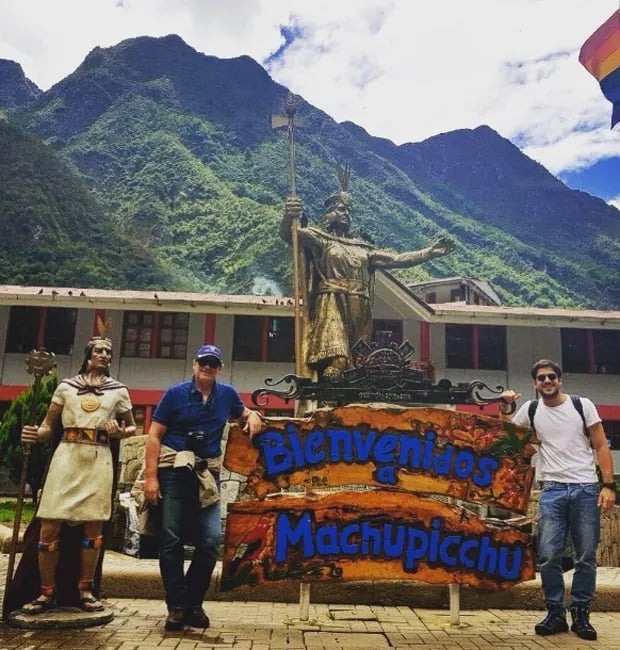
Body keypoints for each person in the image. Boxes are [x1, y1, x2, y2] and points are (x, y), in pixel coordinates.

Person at [281, 165, 454, 381]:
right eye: (342, 210)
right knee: (338, 360)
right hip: (332, 301)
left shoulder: (362, 247)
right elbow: (291, 236)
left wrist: (428, 252)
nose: (347, 214)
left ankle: (350, 404)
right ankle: (326, 400)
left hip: (360, 305)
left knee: (359, 362)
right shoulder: (320, 239)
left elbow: (396, 259)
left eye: (349, 211)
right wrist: (289, 216)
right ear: (330, 213)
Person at [143, 344, 262, 631]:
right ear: (195, 364)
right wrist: (150, 478)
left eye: (213, 363)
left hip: (206, 472)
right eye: (203, 361)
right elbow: (154, 436)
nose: (208, 367)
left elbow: (244, 412)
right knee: (171, 540)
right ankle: (177, 607)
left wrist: (254, 415)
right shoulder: (174, 394)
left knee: (210, 541)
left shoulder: (227, 395)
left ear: (219, 368)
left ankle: (193, 602)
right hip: (172, 471)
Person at [17, 335, 136, 614]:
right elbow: (48, 427)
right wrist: (35, 434)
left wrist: (120, 432)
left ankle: (85, 589)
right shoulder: (66, 388)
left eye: (108, 351)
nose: (104, 355)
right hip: (67, 456)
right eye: (98, 350)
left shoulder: (118, 390)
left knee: (93, 528)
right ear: (88, 354)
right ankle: (46, 592)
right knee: (49, 526)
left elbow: (132, 428)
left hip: (98, 458)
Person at [500, 359, 616, 641]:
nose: (547, 381)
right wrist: (506, 408)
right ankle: (555, 613)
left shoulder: (581, 405)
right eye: (541, 378)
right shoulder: (531, 409)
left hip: (586, 488)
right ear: (535, 383)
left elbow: (601, 445)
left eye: (552, 376)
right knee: (548, 555)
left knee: (586, 557)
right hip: (551, 489)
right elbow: (509, 440)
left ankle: (581, 614)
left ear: (560, 380)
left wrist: (608, 485)